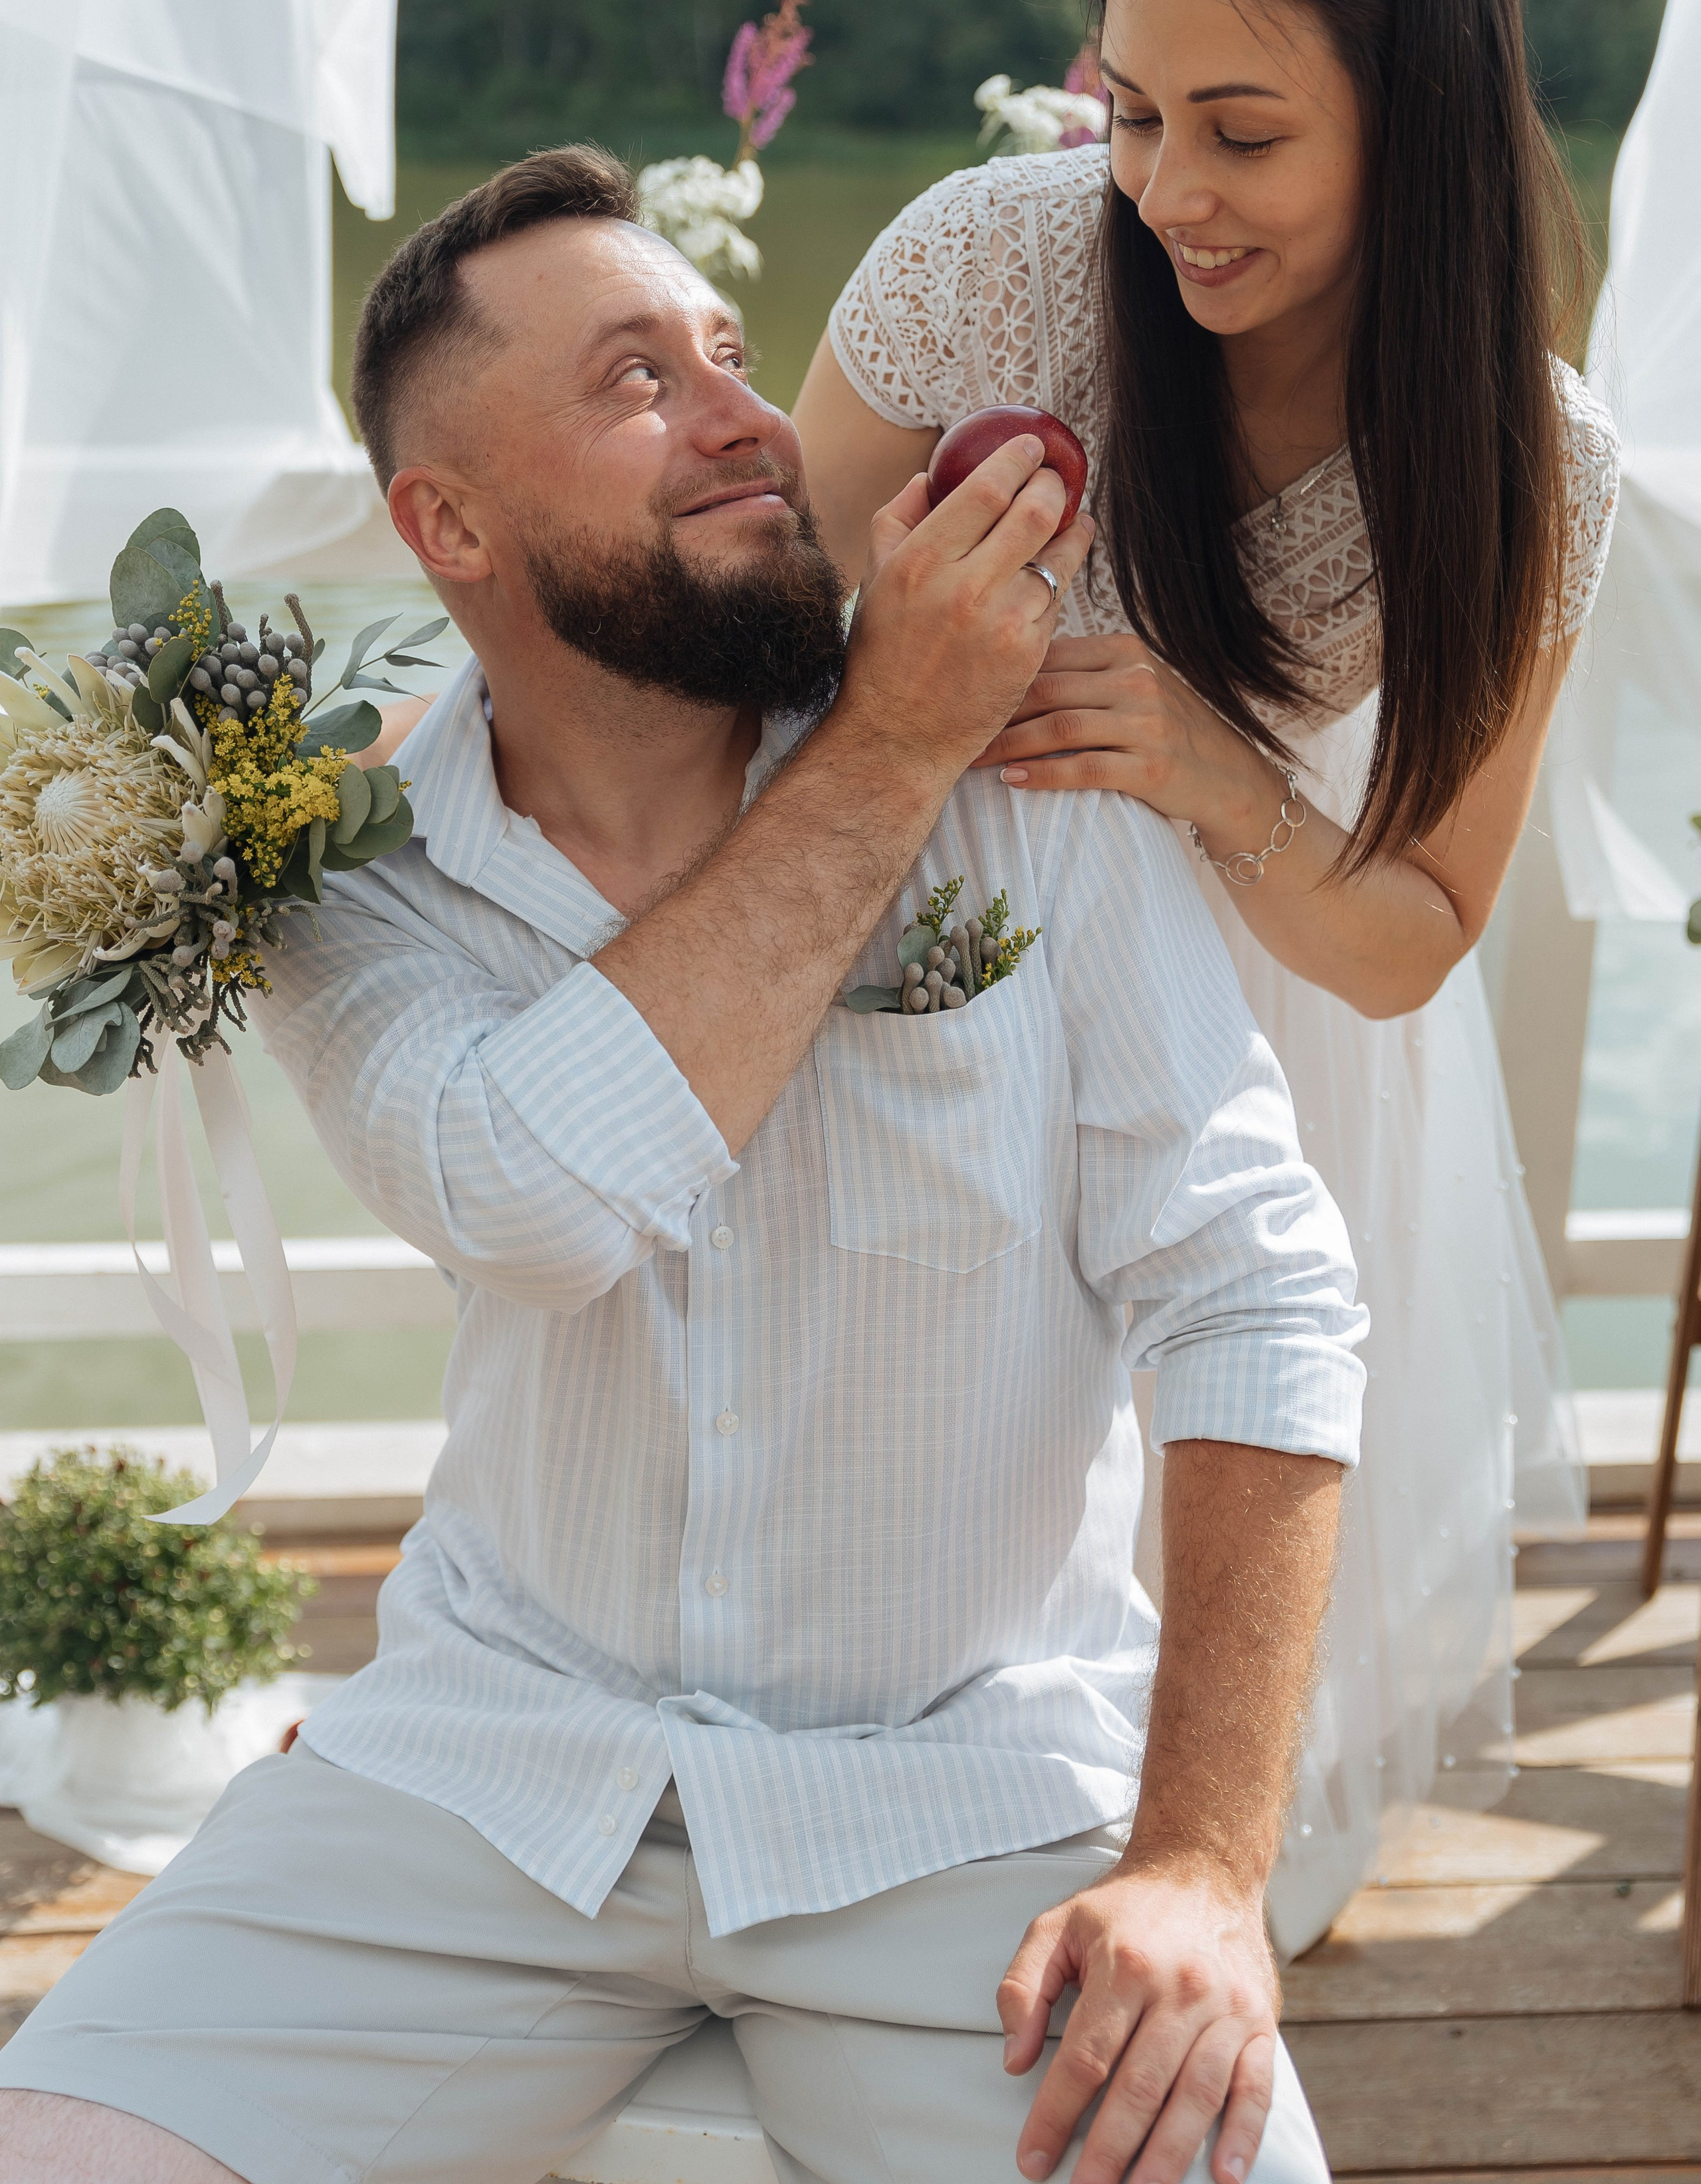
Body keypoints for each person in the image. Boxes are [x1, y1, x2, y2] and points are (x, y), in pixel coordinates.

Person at [0, 149, 1365, 2184]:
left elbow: (1254, 1283)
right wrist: (883, 751)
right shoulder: (334, 875)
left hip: (966, 1804)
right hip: (478, 1788)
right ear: (443, 523)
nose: (749, 416)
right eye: (637, 380)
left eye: (731, 352)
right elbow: (533, 1202)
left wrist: (1196, 1864)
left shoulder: (1036, 776)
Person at [789, 0, 1621, 1949]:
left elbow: (1407, 939)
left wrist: (1200, 764)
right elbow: (746, 643)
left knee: (1211, 1554)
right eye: (1134, 110)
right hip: (944, 965)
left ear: (1419, 128)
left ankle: (1191, 1886)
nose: (1165, 190)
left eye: (1243, 134)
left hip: (1279, 1020)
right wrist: (906, 657)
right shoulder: (992, 264)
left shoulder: (1536, 469)